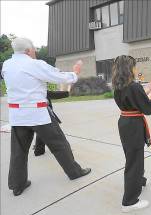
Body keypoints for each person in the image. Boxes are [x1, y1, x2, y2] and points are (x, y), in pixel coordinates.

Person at [1, 37, 91, 196]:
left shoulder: (6, 65)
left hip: (17, 115)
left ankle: (17, 184)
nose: (35, 51)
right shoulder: (34, 64)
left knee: (18, 151)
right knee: (60, 144)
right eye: (34, 48)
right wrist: (75, 72)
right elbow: (59, 77)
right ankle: (74, 172)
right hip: (38, 114)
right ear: (28, 50)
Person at [112, 55, 151, 212]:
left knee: (132, 157)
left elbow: (131, 100)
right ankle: (129, 201)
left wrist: (143, 92)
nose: (135, 69)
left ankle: (138, 180)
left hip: (125, 123)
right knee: (134, 161)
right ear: (129, 68)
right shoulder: (133, 87)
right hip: (133, 126)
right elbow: (147, 109)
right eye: (134, 66)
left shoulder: (119, 86)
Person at [33, 90, 71, 156]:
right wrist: (67, 93)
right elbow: (52, 94)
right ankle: (65, 152)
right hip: (44, 113)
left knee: (41, 131)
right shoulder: (38, 88)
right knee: (57, 134)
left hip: (40, 114)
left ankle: (39, 150)